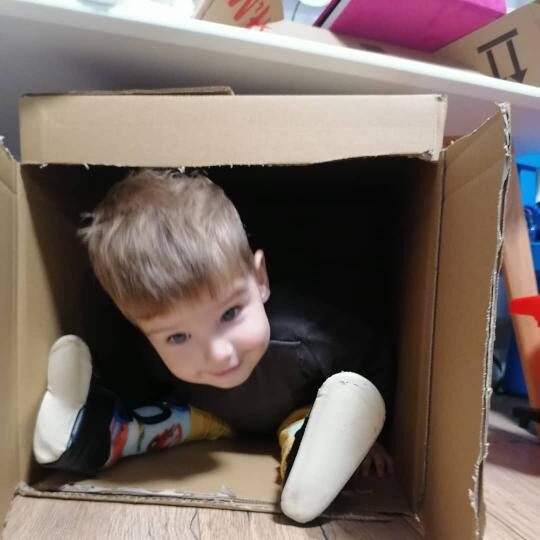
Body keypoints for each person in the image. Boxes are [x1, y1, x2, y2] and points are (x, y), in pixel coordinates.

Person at [33, 169, 394, 523]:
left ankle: (320, 460)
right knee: (150, 419)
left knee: (316, 420)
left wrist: (372, 434)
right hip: (205, 418)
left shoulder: (304, 336)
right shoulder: (149, 357)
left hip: (297, 409)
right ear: (142, 331)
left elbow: (371, 356)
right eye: (178, 337)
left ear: (260, 279)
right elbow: (133, 384)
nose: (219, 354)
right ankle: (84, 432)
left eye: (230, 313)